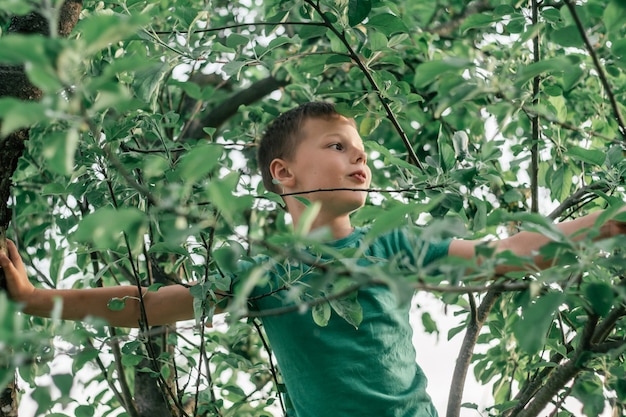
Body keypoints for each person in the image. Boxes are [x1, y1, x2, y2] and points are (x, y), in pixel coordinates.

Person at [1, 101, 625, 417]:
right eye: (337, 145)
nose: (360, 159)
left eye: (361, 150)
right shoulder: (262, 270)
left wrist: (608, 222)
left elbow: (501, 256)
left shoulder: (391, 243)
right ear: (284, 174)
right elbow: (149, 306)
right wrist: (35, 300)